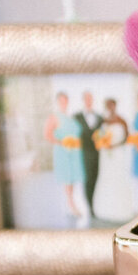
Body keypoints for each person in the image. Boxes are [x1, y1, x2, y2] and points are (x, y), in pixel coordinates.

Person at [43, 91, 85, 224]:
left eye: (66, 100)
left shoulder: (70, 116)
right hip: (63, 151)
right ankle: (71, 206)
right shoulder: (54, 117)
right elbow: (47, 135)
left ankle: (69, 205)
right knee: (67, 179)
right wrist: (62, 142)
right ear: (57, 102)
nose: (64, 103)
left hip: (73, 152)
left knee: (72, 179)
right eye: (61, 100)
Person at [92, 97, 135, 224]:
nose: (110, 108)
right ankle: (105, 209)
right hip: (105, 155)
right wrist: (102, 143)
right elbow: (98, 135)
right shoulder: (103, 121)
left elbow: (127, 138)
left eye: (112, 105)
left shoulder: (121, 120)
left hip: (117, 154)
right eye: (107, 105)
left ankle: (120, 209)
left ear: (115, 106)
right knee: (106, 177)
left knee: (118, 177)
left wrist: (114, 145)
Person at [74, 90, 104, 219]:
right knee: (87, 179)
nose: (88, 101)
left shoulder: (100, 117)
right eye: (86, 98)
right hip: (84, 152)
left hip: (98, 153)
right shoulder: (77, 117)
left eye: (90, 98)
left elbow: (104, 133)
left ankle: (96, 204)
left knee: (96, 177)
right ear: (83, 100)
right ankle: (89, 207)